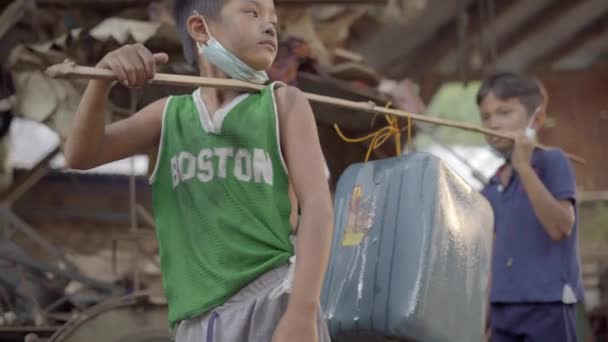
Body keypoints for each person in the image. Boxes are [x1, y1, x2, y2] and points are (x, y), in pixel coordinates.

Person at [64, 0, 334, 340]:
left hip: (271, 303)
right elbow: (81, 155)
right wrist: (102, 78)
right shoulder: (168, 115)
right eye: (252, 12)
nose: (269, 26)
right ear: (200, 29)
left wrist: (302, 311)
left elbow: (319, 208)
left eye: (273, 20)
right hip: (195, 321)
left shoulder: (283, 104)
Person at [478, 73, 582, 341]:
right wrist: (482, 322)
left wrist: (523, 167)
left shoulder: (552, 162)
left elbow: (560, 227)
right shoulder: (491, 187)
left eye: (504, 112)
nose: (494, 124)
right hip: (502, 310)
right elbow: (491, 260)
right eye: (486, 116)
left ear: (536, 118)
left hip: (547, 307)